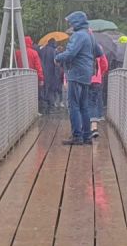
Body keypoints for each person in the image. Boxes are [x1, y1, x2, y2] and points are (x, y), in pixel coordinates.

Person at [54, 11, 98, 145]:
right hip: (87, 74)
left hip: (76, 73)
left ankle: (77, 136)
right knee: (84, 106)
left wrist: (58, 58)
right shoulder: (90, 35)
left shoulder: (78, 35)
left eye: (71, 23)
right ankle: (87, 136)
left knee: (73, 105)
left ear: (76, 23)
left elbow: (71, 53)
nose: (71, 25)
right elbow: (99, 52)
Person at [18, 35, 44, 111]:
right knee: (32, 94)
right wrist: (41, 78)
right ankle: (32, 110)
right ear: (30, 42)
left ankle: (22, 109)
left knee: (22, 94)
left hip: (20, 77)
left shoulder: (18, 52)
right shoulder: (34, 53)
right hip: (32, 79)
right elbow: (38, 66)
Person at [38, 36, 62, 112]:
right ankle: (51, 107)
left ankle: (43, 106)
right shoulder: (54, 51)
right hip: (52, 73)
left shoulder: (42, 50)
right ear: (53, 43)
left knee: (44, 89)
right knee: (51, 90)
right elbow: (56, 63)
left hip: (43, 72)